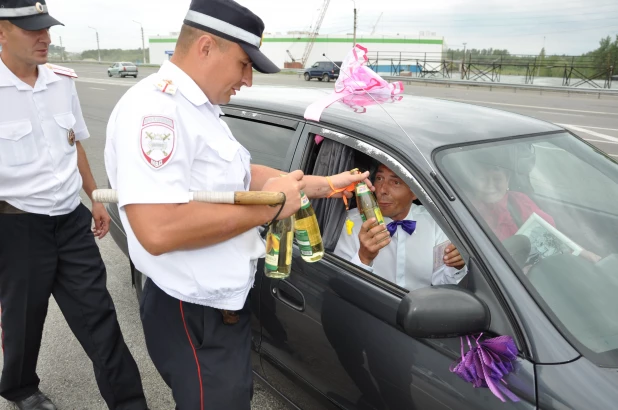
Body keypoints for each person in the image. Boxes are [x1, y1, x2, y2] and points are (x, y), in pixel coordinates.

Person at [104, 0, 370, 408]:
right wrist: (272, 208)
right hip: (194, 309)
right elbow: (157, 230)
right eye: (244, 64)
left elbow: (246, 175)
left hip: (218, 304)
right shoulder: (157, 111)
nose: (247, 80)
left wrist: (327, 184)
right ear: (206, 47)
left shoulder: (201, 109)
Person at [0, 2, 147, 410]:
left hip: (70, 220)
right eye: (32, 29)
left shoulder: (62, 82)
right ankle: (20, 388)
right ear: (1, 32)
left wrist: (94, 197)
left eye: (46, 27)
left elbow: (74, 142)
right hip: (17, 226)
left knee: (98, 314)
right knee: (23, 319)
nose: (44, 37)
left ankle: (129, 403)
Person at [334, 164, 466, 291]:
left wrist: (456, 266)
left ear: (415, 192)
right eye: (379, 179)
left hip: (420, 309)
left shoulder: (434, 222)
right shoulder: (352, 223)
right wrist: (364, 258)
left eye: (395, 182)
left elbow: (443, 285)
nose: (381, 190)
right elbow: (340, 285)